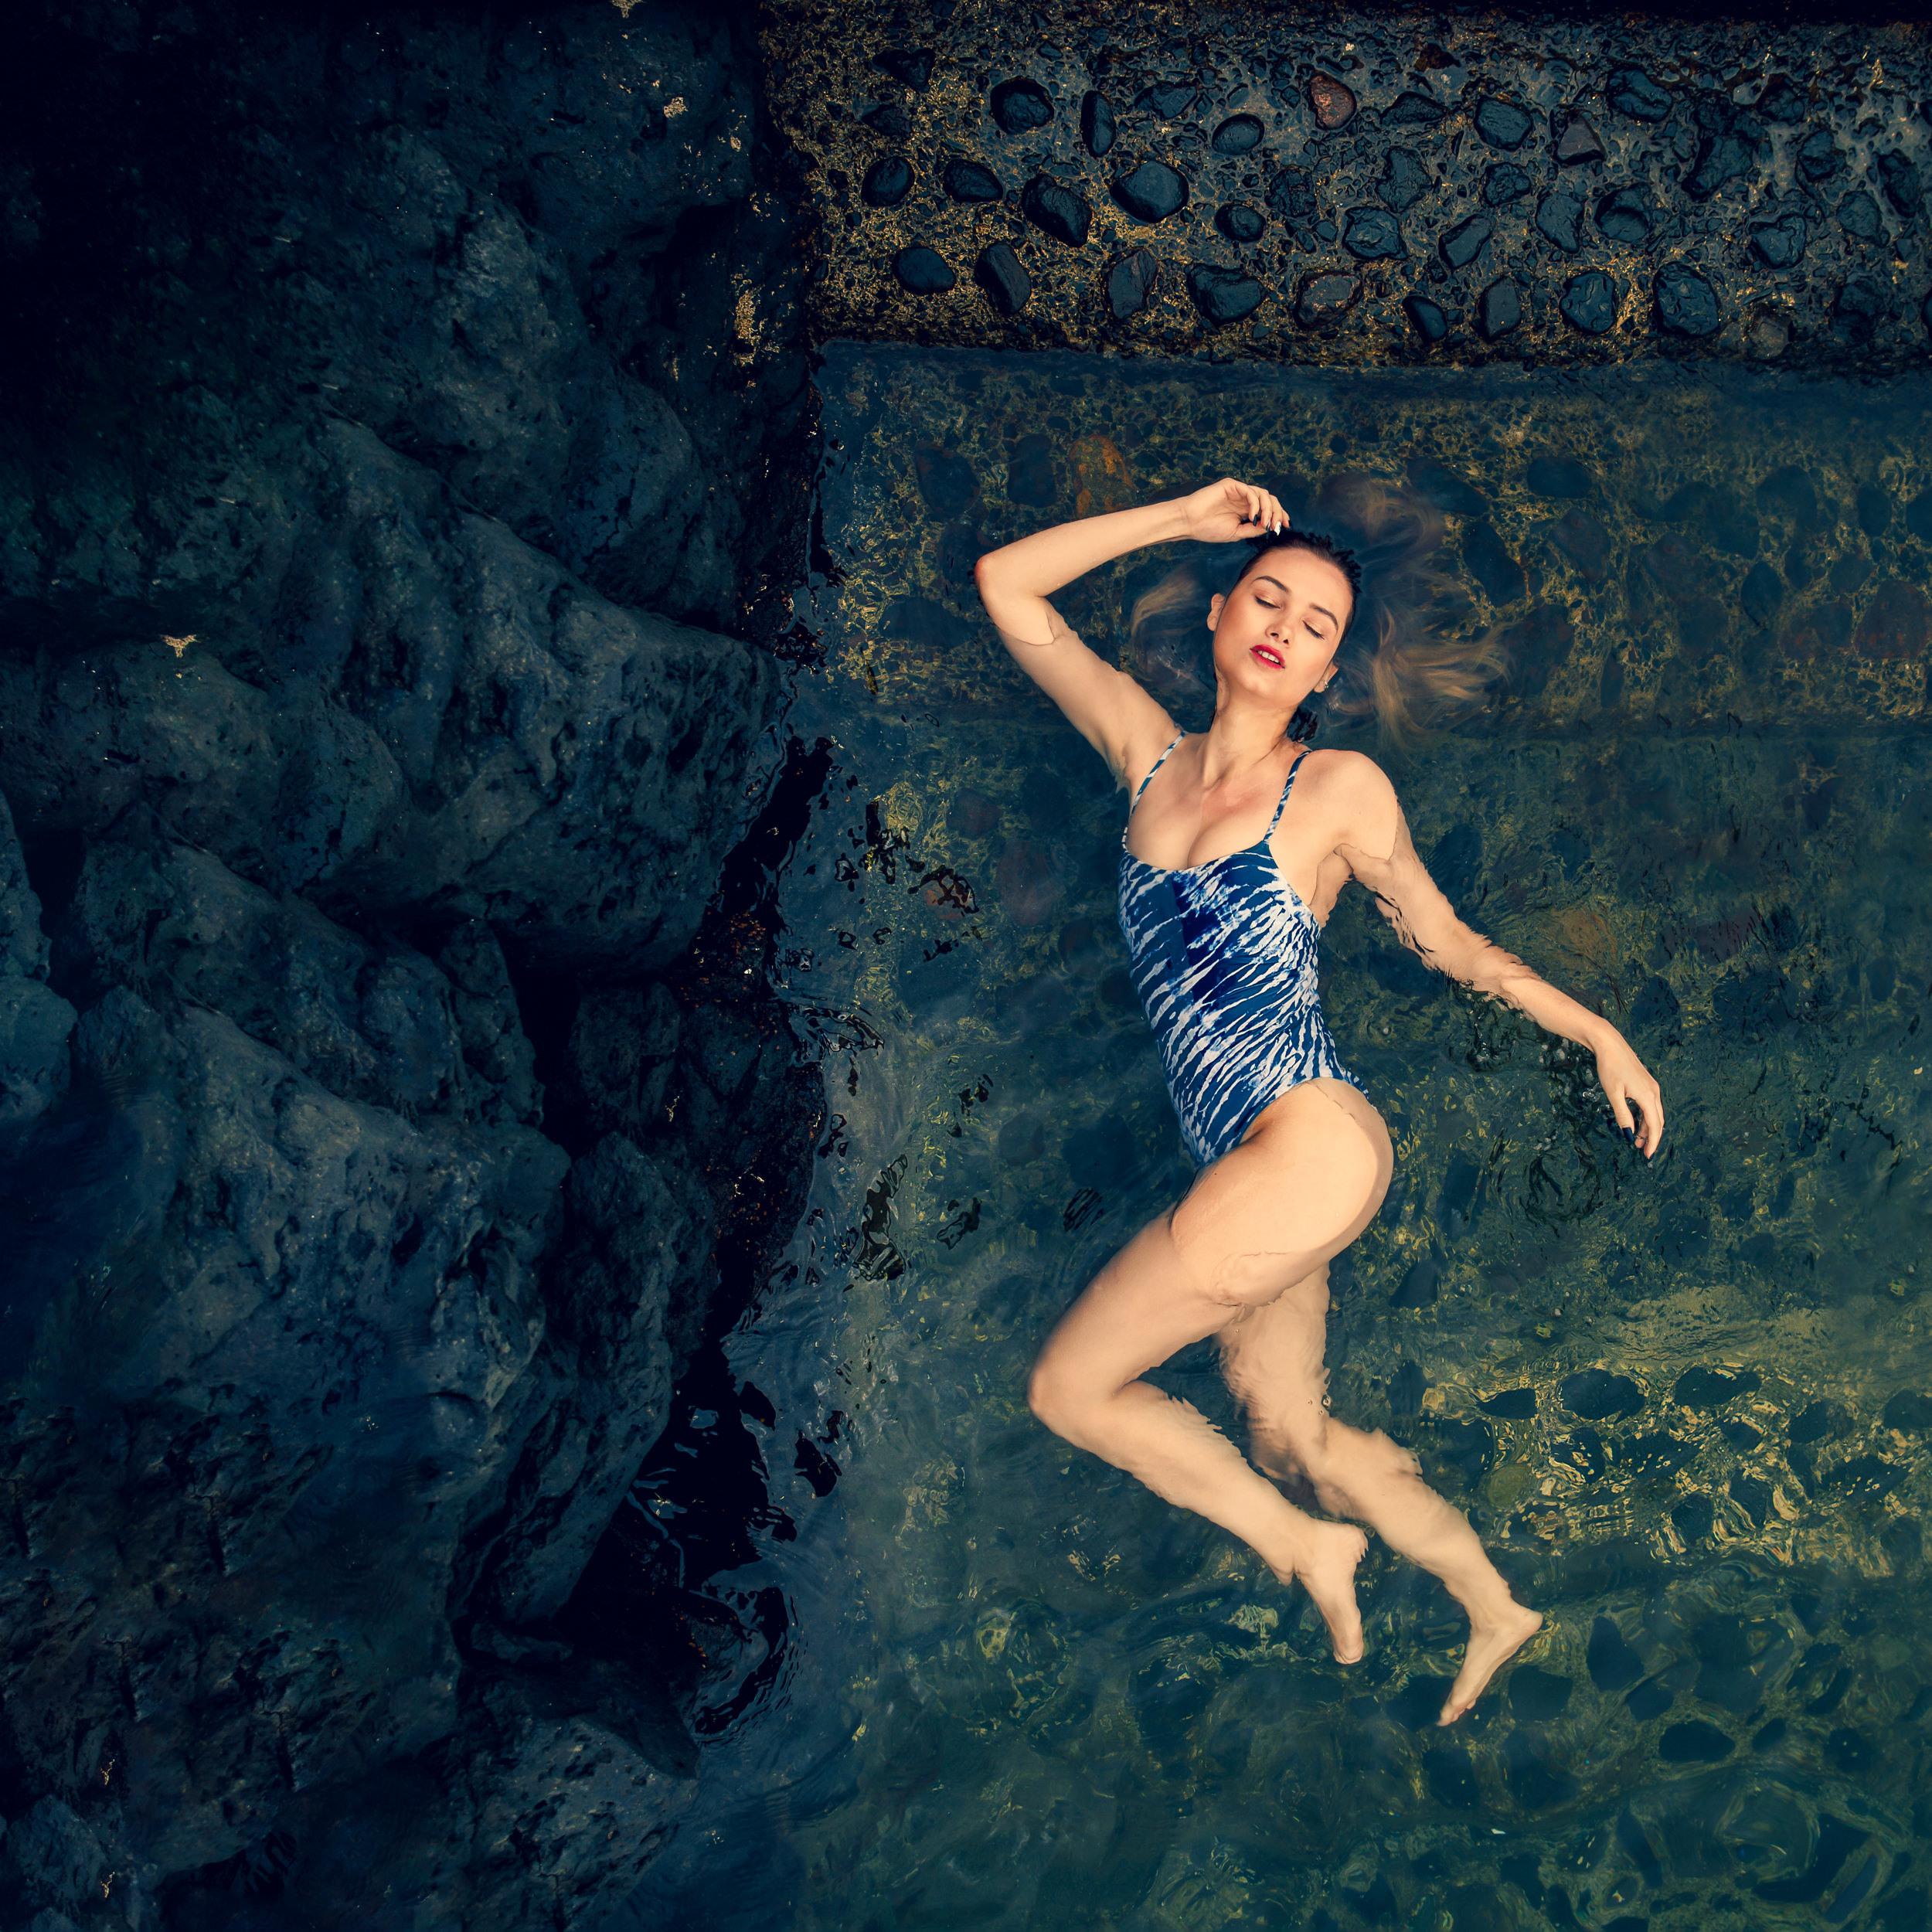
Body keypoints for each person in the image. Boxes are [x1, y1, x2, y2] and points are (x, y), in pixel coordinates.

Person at [973, 474, 1665, 1725]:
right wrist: (1181, 519)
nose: (1284, 628)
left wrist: (1599, 1032)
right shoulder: (1144, 755)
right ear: (1220, 614)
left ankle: (1306, 1548)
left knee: (1070, 1389)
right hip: (1245, 1168)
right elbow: (1006, 586)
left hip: (1308, 1142)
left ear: (1326, 671)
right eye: (1267, 599)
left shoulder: (1336, 788)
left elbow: (1450, 944)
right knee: (1290, 1438)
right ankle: (1492, 1601)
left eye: (1317, 625)